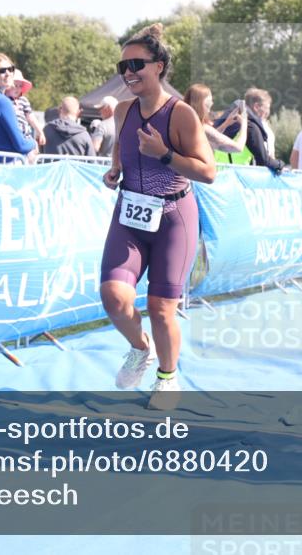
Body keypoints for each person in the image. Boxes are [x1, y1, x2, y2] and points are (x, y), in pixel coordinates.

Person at [100, 23, 215, 407]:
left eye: (137, 64)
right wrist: (115, 169)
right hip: (130, 212)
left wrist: (164, 153)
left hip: (173, 216)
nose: (129, 72)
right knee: (114, 297)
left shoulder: (180, 114)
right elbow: (121, 146)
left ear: (160, 66)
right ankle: (140, 348)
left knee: (160, 307)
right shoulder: (122, 110)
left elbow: (208, 172)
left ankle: (168, 378)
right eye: (123, 67)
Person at [221, 87, 285, 172]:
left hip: (220, 174)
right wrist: (280, 164)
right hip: (238, 175)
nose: (268, 112)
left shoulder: (228, 121)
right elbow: (264, 160)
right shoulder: (251, 127)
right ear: (256, 107)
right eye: (267, 108)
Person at [184, 84, 248, 157]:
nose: (212, 104)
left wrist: (226, 124)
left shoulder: (186, 122)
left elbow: (209, 138)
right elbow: (238, 148)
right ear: (200, 104)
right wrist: (244, 124)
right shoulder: (202, 127)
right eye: (209, 101)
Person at [5, 69, 46, 151]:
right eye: (15, 85)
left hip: (24, 136)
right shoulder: (3, 100)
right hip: (10, 135)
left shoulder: (23, 100)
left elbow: (31, 117)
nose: (18, 89)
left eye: (20, 86)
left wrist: (40, 132)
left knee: (32, 154)